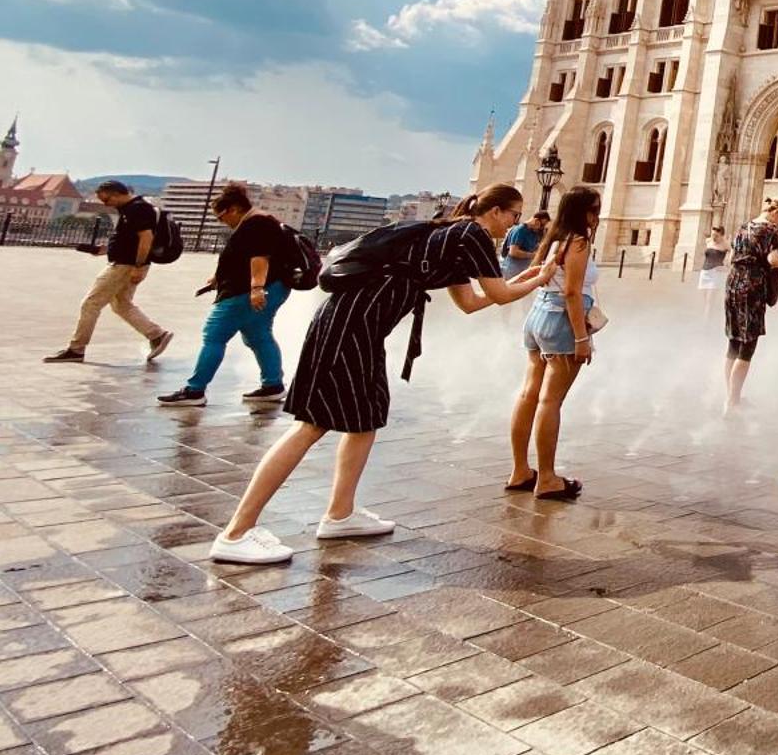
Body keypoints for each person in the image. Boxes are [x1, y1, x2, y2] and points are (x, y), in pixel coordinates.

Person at [208, 187, 550, 565]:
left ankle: (340, 514)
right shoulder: (472, 234)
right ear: (497, 211)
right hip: (347, 328)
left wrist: (530, 277)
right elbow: (499, 294)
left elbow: (470, 303)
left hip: (362, 330)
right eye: (514, 215)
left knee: (364, 419)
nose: (515, 223)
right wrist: (540, 277)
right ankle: (236, 532)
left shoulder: (453, 236)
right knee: (311, 426)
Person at [156, 184, 292, 407]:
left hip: (243, 293)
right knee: (258, 335)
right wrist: (218, 278)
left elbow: (260, 258)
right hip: (263, 288)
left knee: (214, 336)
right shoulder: (259, 221)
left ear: (234, 209)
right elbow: (243, 257)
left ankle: (195, 390)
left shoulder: (256, 223)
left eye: (220, 217)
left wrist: (256, 289)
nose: (222, 222)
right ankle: (273, 386)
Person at [506, 187, 600, 501]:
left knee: (528, 394)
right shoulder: (579, 241)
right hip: (560, 323)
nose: (596, 216)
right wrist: (582, 338)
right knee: (550, 401)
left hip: (536, 318)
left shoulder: (553, 239)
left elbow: (542, 278)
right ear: (584, 212)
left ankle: (520, 470)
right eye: (594, 209)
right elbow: (572, 293)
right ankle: (546, 478)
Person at [46, 182, 172, 365]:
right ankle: (157, 335)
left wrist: (139, 265)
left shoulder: (137, 209)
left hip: (124, 266)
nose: (106, 204)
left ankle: (76, 349)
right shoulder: (132, 208)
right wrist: (104, 250)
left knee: (91, 303)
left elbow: (146, 238)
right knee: (121, 304)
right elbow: (128, 240)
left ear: (118, 194)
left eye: (106, 199)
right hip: (125, 263)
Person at [722, 199, 778, 415]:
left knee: (734, 340)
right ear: (776, 213)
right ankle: (732, 402)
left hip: (733, 282)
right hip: (752, 285)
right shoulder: (770, 229)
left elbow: (732, 256)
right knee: (748, 344)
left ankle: (731, 393)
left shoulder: (744, 226)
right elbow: (772, 258)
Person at [503, 210, 548, 275]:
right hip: (512, 269)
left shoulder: (534, 232)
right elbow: (513, 252)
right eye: (542, 225)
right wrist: (533, 255)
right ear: (536, 221)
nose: (542, 228)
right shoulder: (520, 230)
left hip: (523, 269)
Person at [697, 226, 727, 321]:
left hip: (715, 274)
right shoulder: (708, 241)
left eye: (716, 235)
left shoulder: (725, 244)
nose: (714, 237)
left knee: (710, 301)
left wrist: (726, 266)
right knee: (704, 300)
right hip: (704, 272)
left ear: (722, 235)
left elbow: (733, 253)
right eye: (713, 234)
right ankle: (708, 318)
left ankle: (706, 323)